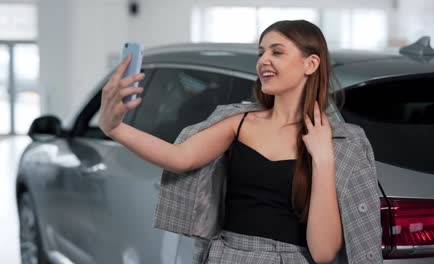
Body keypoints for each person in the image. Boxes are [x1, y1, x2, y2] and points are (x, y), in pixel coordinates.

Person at [99, 20, 383, 264]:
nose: (263, 61)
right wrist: (114, 128)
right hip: (228, 255)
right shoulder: (239, 120)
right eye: (261, 53)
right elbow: (179, 157)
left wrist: (323, 159)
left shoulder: (344, 142)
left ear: (311, 63)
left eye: (277, 52)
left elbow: (323, 253)